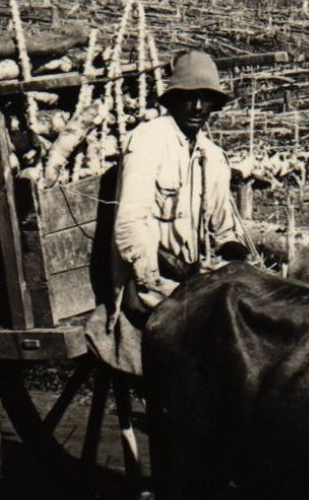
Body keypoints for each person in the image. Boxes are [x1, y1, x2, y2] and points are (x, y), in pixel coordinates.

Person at [87, 49, 251, 376]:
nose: (198, 107)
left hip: (191, 280)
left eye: (206, 99)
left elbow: (224, 228)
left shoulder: (213, 156)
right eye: (189, 98)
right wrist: (181, 270)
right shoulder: (147, 141)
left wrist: (234, 256)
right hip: (148, 282)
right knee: (217, 333)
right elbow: (130, 227)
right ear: (173, 100)